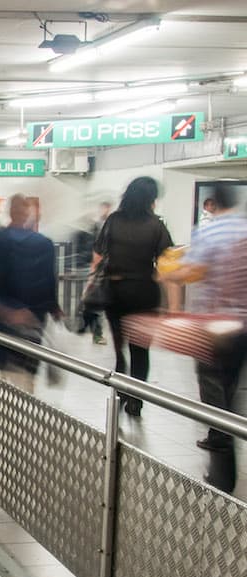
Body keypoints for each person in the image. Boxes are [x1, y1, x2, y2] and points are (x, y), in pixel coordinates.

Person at [163, 183, 247, 492]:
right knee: (230, 385)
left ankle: (222, 468)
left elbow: (191, 271)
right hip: (243, 325)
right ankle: (223, 434)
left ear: (211, 205)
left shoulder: (208, 233)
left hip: (214, 325)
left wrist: (171, 275)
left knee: (212, 388)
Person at [93, 176, 173, 417]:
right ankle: (136, 401)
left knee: (119, 347)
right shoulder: (156, 225)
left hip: (115, 291)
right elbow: (167, 261)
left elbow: (98, 253)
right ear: (151, 199)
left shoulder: (113, 220)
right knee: (141, 350)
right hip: (144, 292)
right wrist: (171, 301)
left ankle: (120, 386)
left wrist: (91, 281)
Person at [0, 195, 60, 393]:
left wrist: (3, 308)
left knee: (6, 372)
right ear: (27, 214)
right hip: (34, 319)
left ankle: (8, 407)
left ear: (10, 212)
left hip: (4, 318)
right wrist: (53, 308)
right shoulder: (44, 244)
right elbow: (49, 283)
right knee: (28, 372)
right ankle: (26, 400)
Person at [74, 202, 111, 345]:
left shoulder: (102, 227)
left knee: (92, 303)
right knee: (92, 302)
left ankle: (87, 328)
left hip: (96, 270)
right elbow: (95, 253)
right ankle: (88, 329)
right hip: (92, 269)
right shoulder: (95, 229)